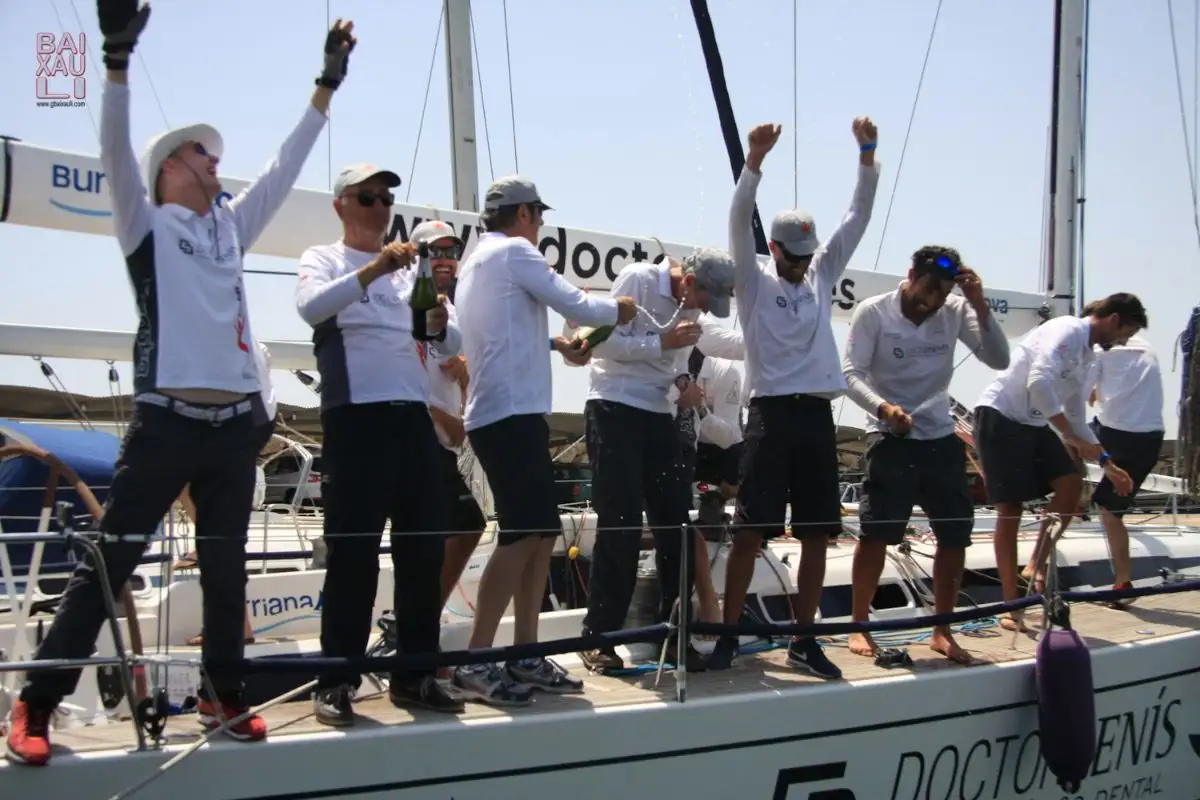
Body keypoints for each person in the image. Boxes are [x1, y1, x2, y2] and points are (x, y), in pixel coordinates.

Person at [5, 5, 353, 766]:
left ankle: (222, 696)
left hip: (233, 427)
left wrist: (325, 85)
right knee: (112, 560)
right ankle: (36, 701)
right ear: (169, 167)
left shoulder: (231, 226)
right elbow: (113, 149)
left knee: (227, 571)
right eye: (201, 152)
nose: (214, 160)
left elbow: (285, 167)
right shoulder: (147, 224)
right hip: (166, 421)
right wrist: (116, 60)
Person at [452, 175, 637, 705]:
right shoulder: (515, 252)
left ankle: (525, 653)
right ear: (525, 214)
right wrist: (618, 310)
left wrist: (557, 345)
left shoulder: (477, 261)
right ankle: (477, 659)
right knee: (519, 534)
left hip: (504, 412)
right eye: (539, 216)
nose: (540, 226)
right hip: (509, 414)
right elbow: (578, 304)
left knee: (539, 533)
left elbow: (504, 329)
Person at [708, 119, 882, 679]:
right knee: (749, 533)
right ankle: (728, 637)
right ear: (775, 248)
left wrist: (866, 157)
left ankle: (804, 641)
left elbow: (856, 220)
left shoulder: (820, 276)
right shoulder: (753, 281)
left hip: (816, 418)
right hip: (770, 415)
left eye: (809, 254)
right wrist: (753, 163)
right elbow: (738, 218)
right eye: (795, 254)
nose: (804, 262)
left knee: (816, 535)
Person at [295, 165, 464, 726]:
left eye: (386, 198)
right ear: (341, 205)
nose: (378, 206)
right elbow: (311, 308)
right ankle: (337, 679)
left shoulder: (411, 273)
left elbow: (448, 340)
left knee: (422, 552)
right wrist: (375, 268)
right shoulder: (324, 258)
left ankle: (415, 675)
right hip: (355, 418)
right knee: (353, 554)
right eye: (366, 197)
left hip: (412, 419)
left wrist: (438, 319)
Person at [841, 246, 1010, 664]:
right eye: (929, 289)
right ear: (911, 275)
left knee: (954, 537)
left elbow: (999, 358)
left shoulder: (955, 310)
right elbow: (850, 374)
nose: (933, 300)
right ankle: (859, 625)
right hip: (889, 436)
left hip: (940, 438)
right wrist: (884, 409)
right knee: (875, 534)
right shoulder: (873, 312)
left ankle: (942, 631)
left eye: (943, 292)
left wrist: (978, 304)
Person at [576, 249, 736, 674]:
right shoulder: (638, 279)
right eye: (705, 299)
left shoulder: (692, 305)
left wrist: (683, 381)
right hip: (614, 406)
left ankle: (674, 633)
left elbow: (675, 363)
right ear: (690, 282)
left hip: (659, 414)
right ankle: (599, 637)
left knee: (676, 525)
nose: (705, 310)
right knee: (621, 522)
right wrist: (662, 342)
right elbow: (600, 342)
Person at [973, 294, 1142, 632]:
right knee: (1010, 508)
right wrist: (1069, 435)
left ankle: (1034, 564)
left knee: (1070, 485)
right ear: (1113, 320)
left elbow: (1076, 417)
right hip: (1001, 414)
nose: (1124, 341)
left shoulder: (1089, 358)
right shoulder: (1066, 330)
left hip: (1034, 422)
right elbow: (1038, 381)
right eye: (1126, 333)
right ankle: (1012, 606)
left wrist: (1108, 464)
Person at [178, 338, 280, 646]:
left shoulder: (224, 341)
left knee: (220, 537)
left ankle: (235, 628)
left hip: (236, 430)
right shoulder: (248, 343)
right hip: (246, 427)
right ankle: (236, 626)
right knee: (220, 536)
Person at [406, 220, 487, 609]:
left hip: (443, 439)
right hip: (416, 432)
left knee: (463, 526)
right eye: (433, 252)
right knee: (455, 526)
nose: (444, 260)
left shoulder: (449, 306)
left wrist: (465, 374)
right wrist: (436, 414)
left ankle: (421, 615)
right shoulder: (404, 297)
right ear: (416, 255)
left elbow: (455, 364)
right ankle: (418, 617)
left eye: (451, 252)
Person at [1086, 333, 1165, 606]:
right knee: (1111, 514)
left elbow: (1081, 396)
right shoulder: (1146, 346)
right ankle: (1123, 583)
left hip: (1116, 433)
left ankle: (1069, 498)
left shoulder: (1098, 348)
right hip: (1151, 438)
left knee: (1069, 435)